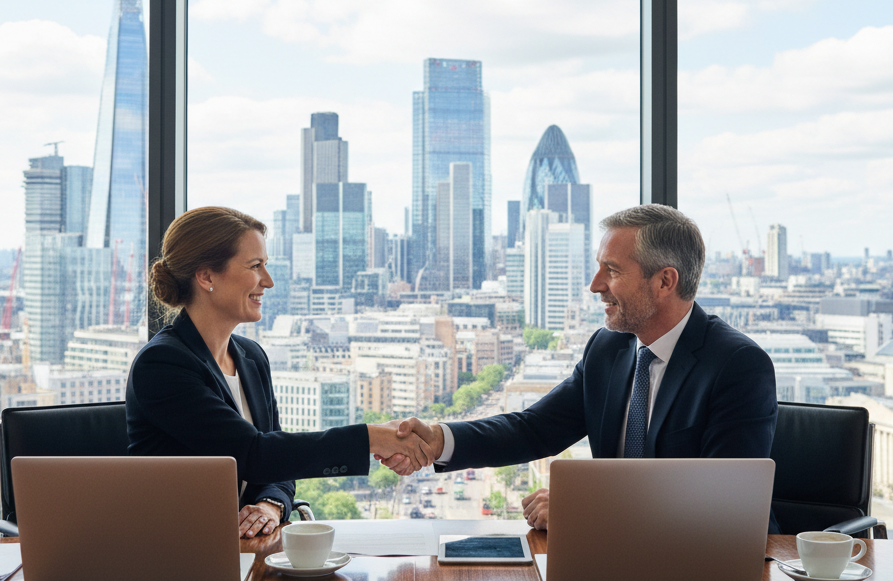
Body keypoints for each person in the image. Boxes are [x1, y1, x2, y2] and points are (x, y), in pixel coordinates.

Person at [385, 204, 779, 531]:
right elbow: (534, 429)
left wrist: (586, 509)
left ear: (665, 281)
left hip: (710, 575)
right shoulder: (608, 348)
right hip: (613, 563)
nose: (594, 285)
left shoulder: (738, 367)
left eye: (612, 270)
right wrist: (439, 440)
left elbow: (723, 504)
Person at [126, 206, 435, 539]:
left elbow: (278, 463)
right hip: (180, 550)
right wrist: (373, 437)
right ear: (206, 277)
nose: (268, 282)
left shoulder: (251, 357)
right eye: (255, 266)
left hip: (245, 548)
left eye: (266, 265)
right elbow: (254, 453)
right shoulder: (162, 364)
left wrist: (270, 504)